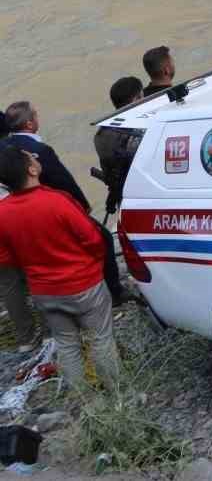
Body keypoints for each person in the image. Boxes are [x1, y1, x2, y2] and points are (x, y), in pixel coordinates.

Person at [0, 146, 120, 392]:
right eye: (31, 156)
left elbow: (6, 257)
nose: (35, 156)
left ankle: (86, 401)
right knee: (100, 338)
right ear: (32, 170)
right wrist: (94, 264)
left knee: (66, 344)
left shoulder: (3, 212)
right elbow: (93, 238)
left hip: (44, 291)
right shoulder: (57, 200)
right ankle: (117, 396)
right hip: (83, 283)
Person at [2, 102, 125, 303]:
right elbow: (63, 181)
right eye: (36, 115)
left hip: (17, 211)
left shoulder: (4, 147)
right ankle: (114, 292)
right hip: (51, 207)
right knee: (103, 238)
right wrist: (82, 206)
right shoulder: (40, 150)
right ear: (29, 123)